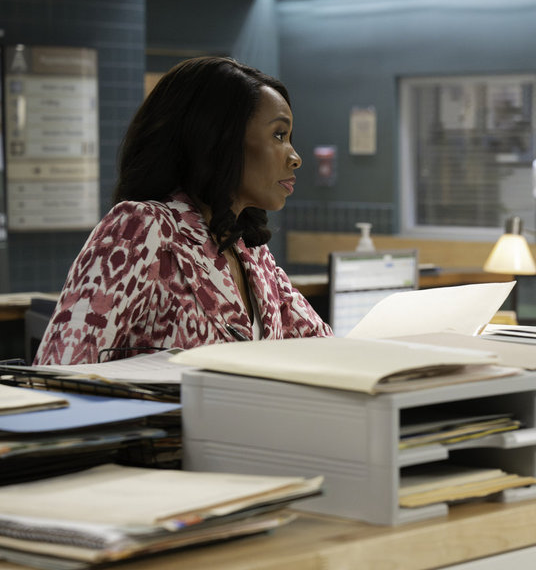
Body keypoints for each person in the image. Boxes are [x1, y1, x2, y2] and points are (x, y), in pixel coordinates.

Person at [35, 56, 333, 365]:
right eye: (279, 135)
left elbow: (325, 351)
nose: (295, 157)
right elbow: (59, 369)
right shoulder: (141, 228)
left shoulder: (253, 253)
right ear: (219, 138)